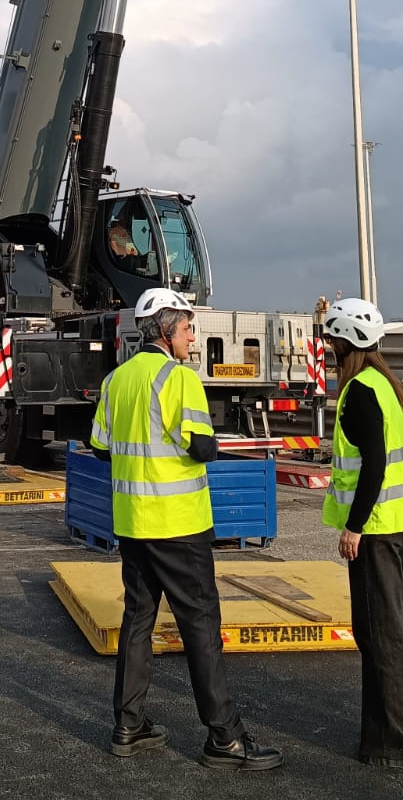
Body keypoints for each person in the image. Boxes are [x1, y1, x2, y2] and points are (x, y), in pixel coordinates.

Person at [89, 287, 283, 771]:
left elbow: (98, 447)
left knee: (138, 620)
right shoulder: (178, 379)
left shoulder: (116, 381)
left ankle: (128, 725)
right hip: (178, 525)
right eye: (188, 328)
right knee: (200, 625)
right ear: (165, 331)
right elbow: (202, 447)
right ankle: (225, 738)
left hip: (133, 523)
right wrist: (210, 444)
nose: (193, 337)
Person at [321, 296, 403, 769]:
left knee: (381, 634)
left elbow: (373, 466)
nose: (327, 348)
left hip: (377, 531)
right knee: (395, 630)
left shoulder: (360, 391)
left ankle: (400, 745)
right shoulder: (386, 384)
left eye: (331, 340)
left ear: (346, 343)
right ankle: (383, 739)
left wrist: (353, 527)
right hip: (400, 524)